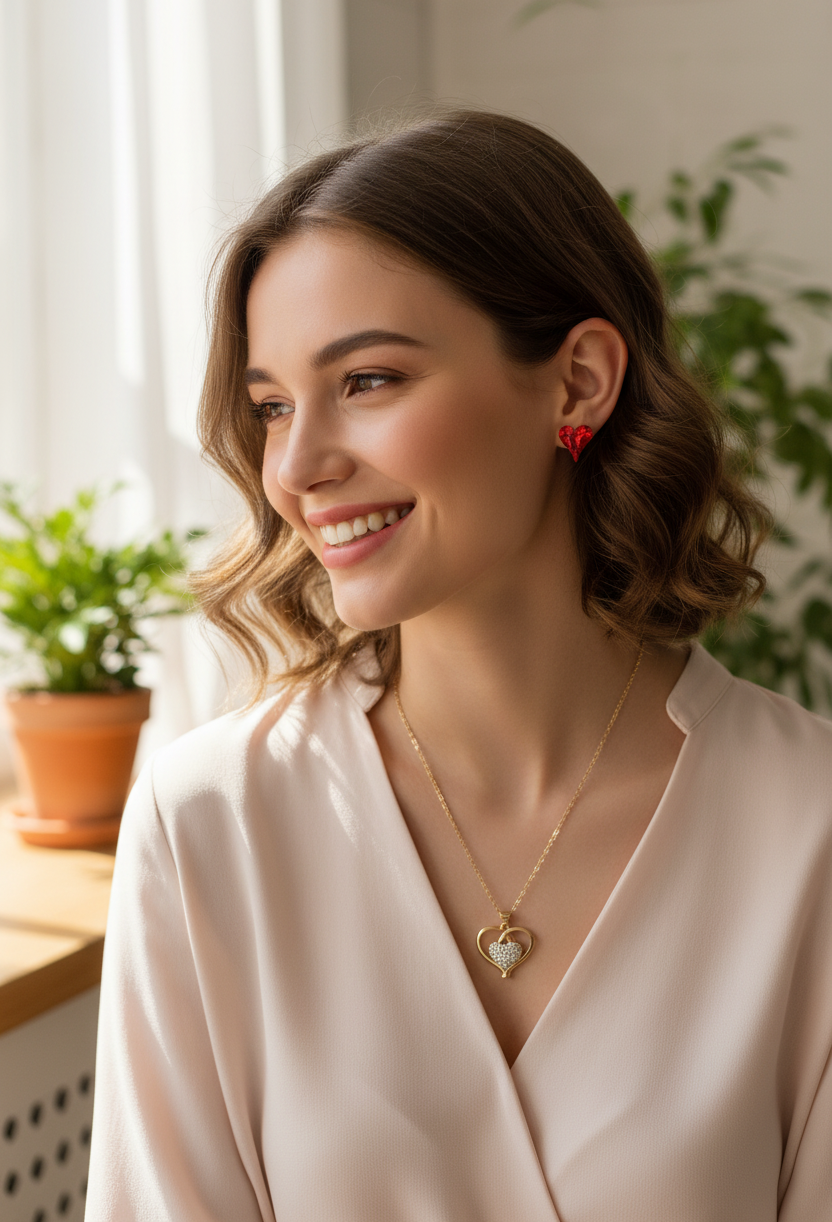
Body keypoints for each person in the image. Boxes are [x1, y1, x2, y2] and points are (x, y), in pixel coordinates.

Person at [85, 110, 832, 1221]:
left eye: (370, 380)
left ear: (577, 382)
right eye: (271, 406)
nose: (297, 466)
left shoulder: (806, 822)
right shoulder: (213, 826)